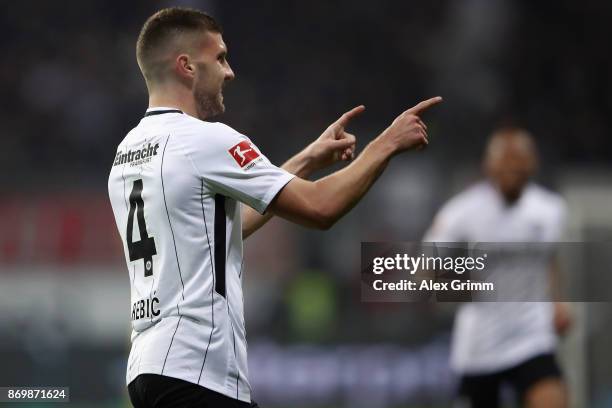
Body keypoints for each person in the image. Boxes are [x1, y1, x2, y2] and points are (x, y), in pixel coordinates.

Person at [107, 7, 442, 408]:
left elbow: (221, 228)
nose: (229, 71)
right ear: (186, 66)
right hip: (198, 368)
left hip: (149, 369)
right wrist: (386, 143)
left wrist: (304, 161)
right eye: (219, 57)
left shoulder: (127, 154)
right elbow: (322, 208)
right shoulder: (203, 140)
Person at [423, 127, 572, 408]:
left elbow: (548, 259)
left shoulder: (550, 210)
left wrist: (558, 303)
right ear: (488, 166)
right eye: (504, 160)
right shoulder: (462, 213)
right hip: (481, 346)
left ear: (533, 164)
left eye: (518, 160)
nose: (511, 168)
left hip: (533, 337)